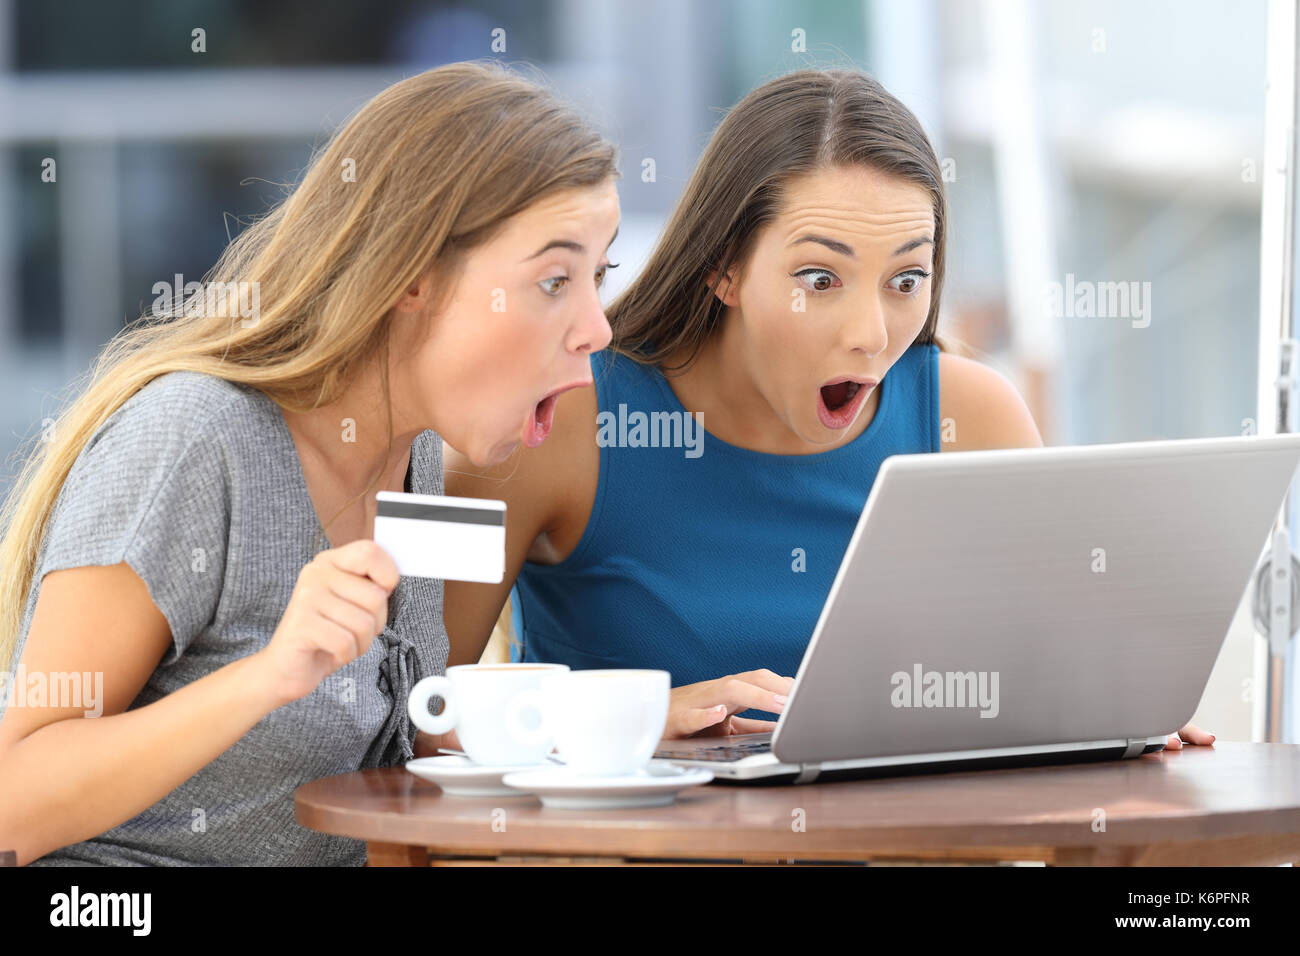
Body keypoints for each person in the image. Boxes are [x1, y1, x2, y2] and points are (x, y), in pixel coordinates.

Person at [442, 68, 1213, 752]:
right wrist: (639, 718)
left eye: (906, 280)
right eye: (820, 278)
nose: (872, 336)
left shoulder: (974, 418)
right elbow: (412, 716)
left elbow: (1057, 678)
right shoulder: (551, 420)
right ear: (724, 268)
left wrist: (1115, 708)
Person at [0, 61, 620, 866]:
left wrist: (624, 726)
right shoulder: (193, 438)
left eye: (598, 278)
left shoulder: (417, 456)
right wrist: (266, 676)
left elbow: (409, 735)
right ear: (411, 278)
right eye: (553, 280)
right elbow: (13, 802)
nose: (597, 328)